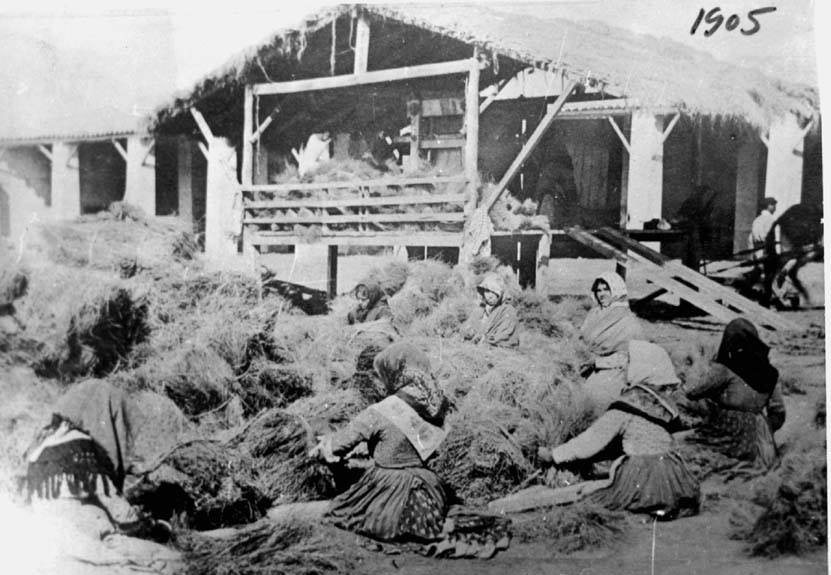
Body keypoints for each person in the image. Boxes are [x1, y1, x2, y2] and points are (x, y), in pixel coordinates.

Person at [311, 342, 510, 558]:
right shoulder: (431, 406)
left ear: (393, 374)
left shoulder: (380, 411)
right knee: (432, 522)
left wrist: (321, 447)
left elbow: (341, 443)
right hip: (429, 489)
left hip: (389, 487)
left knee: (342, 512)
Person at [22, 379, 169, 541]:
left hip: (39, 527)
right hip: (71, 533)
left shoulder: (46, 441)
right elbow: (111, 501)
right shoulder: (80, 446)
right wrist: (147, 525)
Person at [537, 376, 700, 519]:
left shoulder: (623, 409)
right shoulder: (658, 408)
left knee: (595, 501)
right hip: (674, 475)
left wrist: (554, 454)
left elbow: (590, 442)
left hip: (643, 473)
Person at [682, 318, 785, 473]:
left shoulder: (724, 370)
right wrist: (761, 429)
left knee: (685, 445)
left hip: (730, 433)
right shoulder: (771, 373)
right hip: (762, 441)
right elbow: (778, 413)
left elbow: (692, 392)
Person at [578, 272, 644, 414]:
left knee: (592, 396)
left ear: (615, 290)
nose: (602, 294)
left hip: (614, 370)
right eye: (598, 290)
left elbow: (630, 356)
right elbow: (582, 338)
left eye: (606, 289)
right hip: (586, 365)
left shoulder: (626, 319)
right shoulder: (593, 314)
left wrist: (598, 362)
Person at [468, 272, 519, 348]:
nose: (489, 296)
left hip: (499, 351)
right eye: (487, 291)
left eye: (493, 292)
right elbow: (469, 328)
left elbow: (506, 335)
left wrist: (486, 339)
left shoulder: (507, 310)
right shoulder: (481, 309)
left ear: (500, 293)